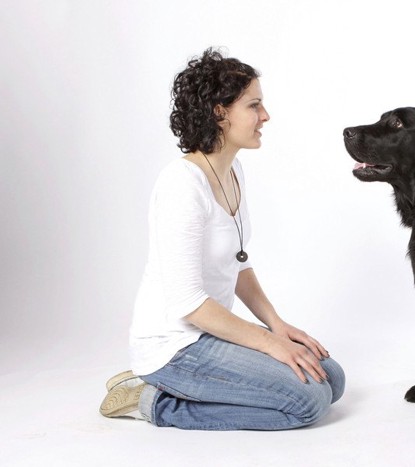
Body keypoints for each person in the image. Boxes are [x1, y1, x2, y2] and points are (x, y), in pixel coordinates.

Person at [99, 48, 345, 430]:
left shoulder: (233, 172)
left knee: (332, 378)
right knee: (309, 402)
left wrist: (277, 326)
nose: (265, 116)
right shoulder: (182, 184)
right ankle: (152, 400)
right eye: (254, 105)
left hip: (212, 333)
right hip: (175, 347)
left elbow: (239, 263)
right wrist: (268, 344)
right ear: (219, 112)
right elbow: (189, 305)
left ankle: (183, 388)